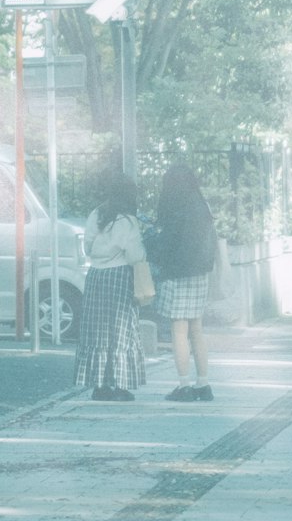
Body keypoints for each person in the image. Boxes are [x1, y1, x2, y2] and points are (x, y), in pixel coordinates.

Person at [74, 171, 148, 402]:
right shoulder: (128, 221)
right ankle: (118, 384)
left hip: (96, 276)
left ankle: (99, 385)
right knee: (120, 331)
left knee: (98, 331)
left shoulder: (97, 214)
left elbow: (87, 246)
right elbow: (135, 254)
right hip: (120, 275)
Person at [149, 163, 218, 403]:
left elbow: (167, 245)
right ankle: (204, 383)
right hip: (200, 274)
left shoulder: (175, 208)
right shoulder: (202, 206)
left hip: (178, 274)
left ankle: (183, 384)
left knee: (179, 330)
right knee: (197, 330)